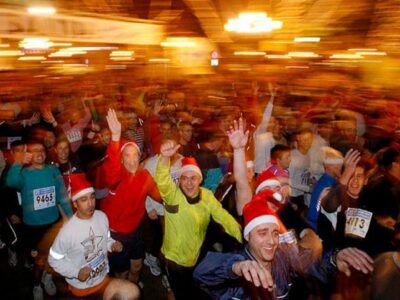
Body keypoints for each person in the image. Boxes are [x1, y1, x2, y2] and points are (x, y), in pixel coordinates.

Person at [194, 195, 374, 300]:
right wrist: (236, 267)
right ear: (248, 235)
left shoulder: (282, 257)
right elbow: (202, 273)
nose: (272, 241)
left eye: (274, 233)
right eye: (262, 233)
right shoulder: (236, 274)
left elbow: (313, 266)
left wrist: (334, 259)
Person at [155, 140, 243, 299]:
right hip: (173, 260)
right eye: (185, 178)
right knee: (181, 294)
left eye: (193, 178)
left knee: (191, 291)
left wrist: (243, 237)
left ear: (200, 179)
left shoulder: (206, 196)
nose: (189, 183)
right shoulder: (173, 196)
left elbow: (223, 217)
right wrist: (164, 159)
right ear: (179, 180)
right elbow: (162, 181)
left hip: (195, 257)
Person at [5, 140, 73, 300]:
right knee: (38, 261)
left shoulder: (53, 170)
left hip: (52, 224)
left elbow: (62, 197)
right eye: (34, 150)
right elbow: (10, 181)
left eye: (41, 150)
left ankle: (47, 278)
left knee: (54, 256)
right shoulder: (24, 173)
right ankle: (36, 285)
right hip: (33, 227)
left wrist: (70, 218)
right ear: (29, 154)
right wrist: (18, 162)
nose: (39, 153)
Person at [100, 109, 161, 283]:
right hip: (117, 234)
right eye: (127, 155)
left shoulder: (144, 176)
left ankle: (132, 290)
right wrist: (115, 137)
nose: (132, 160)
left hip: (136, 232)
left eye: (136, 155)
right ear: (121, 159)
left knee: (136, 267)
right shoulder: (116, 177)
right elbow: (111, 171)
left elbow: (159, 196)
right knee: (122, 274)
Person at [48, 174, 123, 298]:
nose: (90, 204)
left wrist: (112, 245)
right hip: (81, 289)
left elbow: (106, 238)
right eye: (84, 200)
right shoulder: (67, 232)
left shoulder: (101, 216)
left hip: (103, 278)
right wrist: (76, 272)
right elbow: (53, 259)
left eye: (92, 197)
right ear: (75, 204)